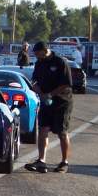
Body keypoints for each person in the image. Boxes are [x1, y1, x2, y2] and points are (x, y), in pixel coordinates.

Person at [25, 41, 73, 173]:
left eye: (39, 55)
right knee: (43, 129)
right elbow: (34, 80)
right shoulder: (39, 63)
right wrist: (39, 92)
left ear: (46, 51)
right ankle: (41, 161)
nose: (37, 57)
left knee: (61, 132)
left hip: (62, 101)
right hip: (45, 100)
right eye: (35, 55)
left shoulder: (60, 62)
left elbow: (66, 84)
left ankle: (64, 162)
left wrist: (50, 94)